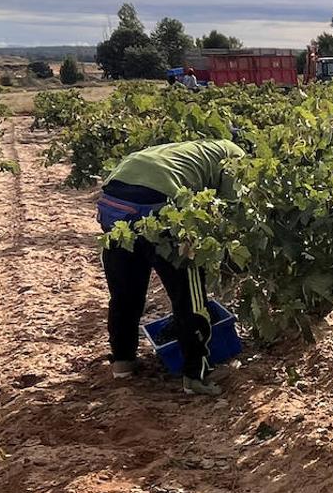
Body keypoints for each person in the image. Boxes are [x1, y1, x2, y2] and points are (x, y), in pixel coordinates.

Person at [97, 139, 246, 396]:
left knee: (125, 293)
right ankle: (195, 376)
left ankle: (123, 363)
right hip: (160, 206)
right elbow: (234, 211)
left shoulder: (189, 149)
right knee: (190, 297)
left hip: (113, 203)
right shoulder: (236, 156)